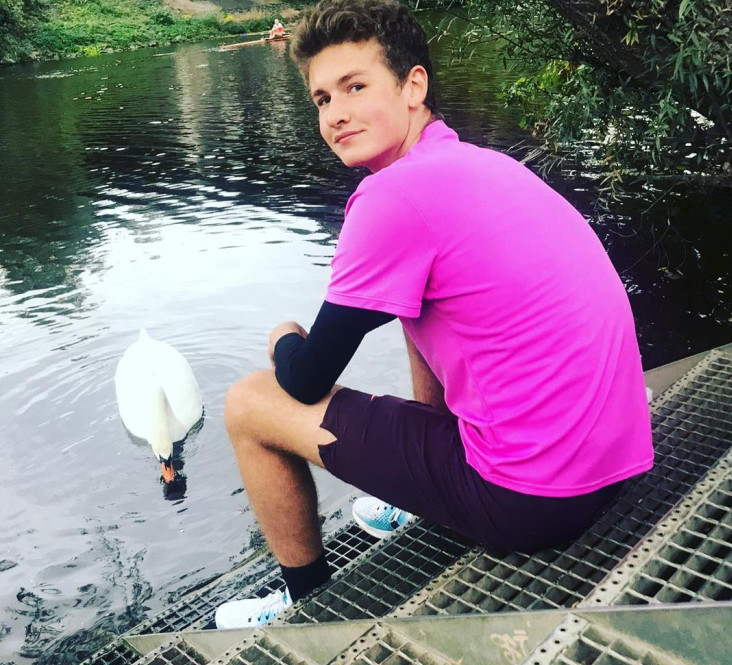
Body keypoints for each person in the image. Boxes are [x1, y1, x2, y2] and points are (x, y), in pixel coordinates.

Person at [214, 0, 654, 629]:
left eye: (355, 87)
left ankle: (307, 605)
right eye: (321, 99)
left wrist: (283, 336)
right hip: (616, 466)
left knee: (249, 403)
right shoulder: (482, 164)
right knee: (415, 303)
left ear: (413, 85)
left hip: (532, 500)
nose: (335, 114)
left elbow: (305, 380)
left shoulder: (391, 196)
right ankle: (425, 498)